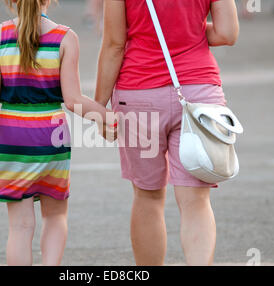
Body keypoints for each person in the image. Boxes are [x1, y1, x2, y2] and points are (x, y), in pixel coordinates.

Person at [0, 0, 116, 266]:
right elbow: (72, 100)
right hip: (51, 134)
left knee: (20, 227)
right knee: (55, 217)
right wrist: (110, 119)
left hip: (11, 134)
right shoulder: (65, 38)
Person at [95, 0, 239, 266]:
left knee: (147, 196)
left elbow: (114, 45)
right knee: (195, 200)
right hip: (199, 94)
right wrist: (189, 32)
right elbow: (226, 33)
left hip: (139, 94)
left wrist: (99, 108)